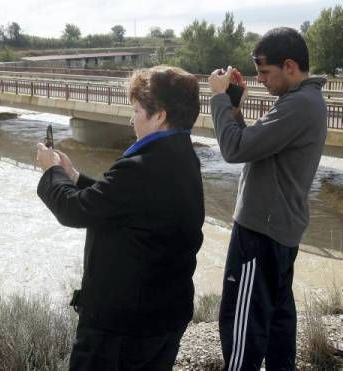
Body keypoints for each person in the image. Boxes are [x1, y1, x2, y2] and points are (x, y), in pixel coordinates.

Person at [36, 65, 205, 371]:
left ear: (160, 115)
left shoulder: (140, 166)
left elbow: (74, 211)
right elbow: (119, 203)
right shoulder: (184, 155)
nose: (131, 118)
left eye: (137, 110)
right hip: (165, 315)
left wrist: (52, 173)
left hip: (122, 326)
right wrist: (73, 176)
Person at [208, 27, 327, 370]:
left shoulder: (299, 105)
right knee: (276, 322)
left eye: (264, 72)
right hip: (279, 232)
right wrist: (233, 104)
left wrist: (216, 97)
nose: (260, 80)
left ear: (290, 66)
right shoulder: (300, 102)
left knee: (241, 325)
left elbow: (233, 149)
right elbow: (252, 146)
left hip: (260, 234)